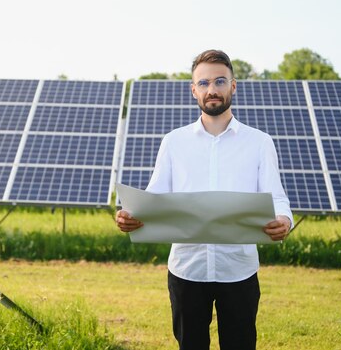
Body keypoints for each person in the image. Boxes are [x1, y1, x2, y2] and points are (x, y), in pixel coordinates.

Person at [116, 49, 293, 350]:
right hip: (187, 268)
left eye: (220, 81)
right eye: (204, 83)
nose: (212, 90)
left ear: (233, 86)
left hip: (238, 269)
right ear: (193, 89)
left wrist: (284, 220)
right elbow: (155, 196)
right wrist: (131, 215)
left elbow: (276, 196)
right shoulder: (173, 142)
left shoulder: (260, 143)